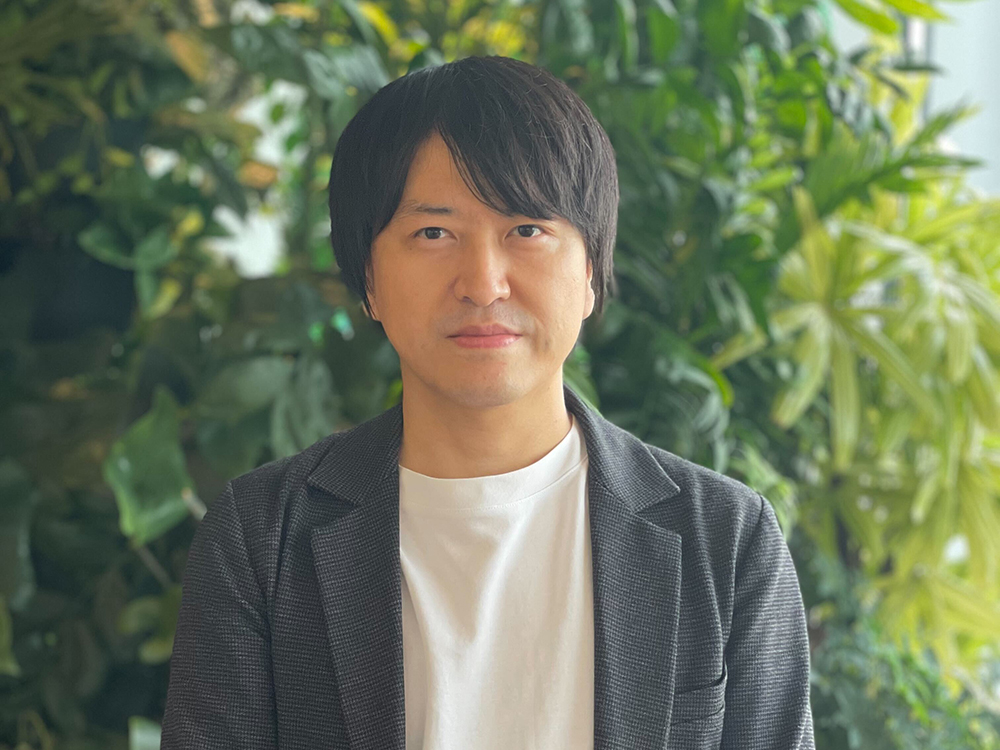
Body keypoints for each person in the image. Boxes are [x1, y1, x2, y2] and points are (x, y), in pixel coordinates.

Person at [160, 55, 814, 750]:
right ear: (369, 280)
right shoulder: (262, 540)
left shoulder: (724, 540)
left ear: (591, 272)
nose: (483, 282)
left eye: (527, 230)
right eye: (433, 233)